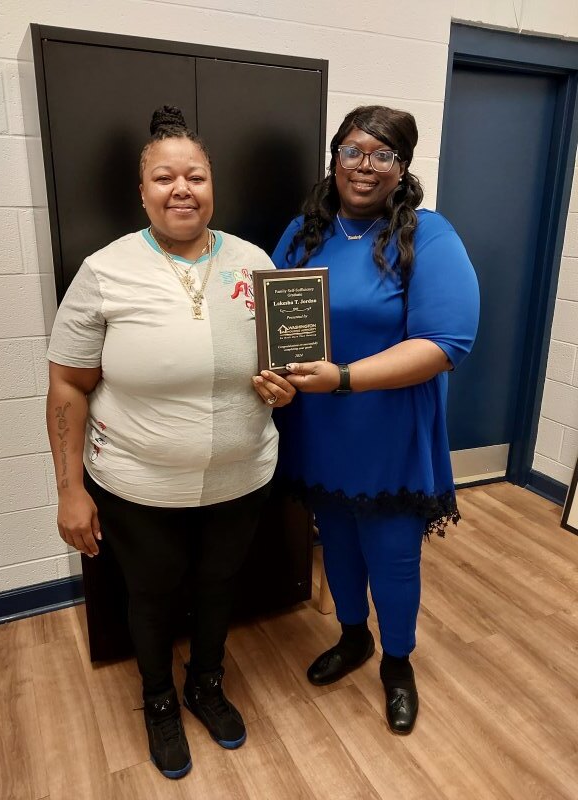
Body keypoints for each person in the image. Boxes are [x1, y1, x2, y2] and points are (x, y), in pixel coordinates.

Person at [46, 106, 294, 779]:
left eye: (195, 176)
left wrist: (285, 388)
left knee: (219, 587)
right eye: (164, 178)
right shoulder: (106, 271)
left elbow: (285, 366)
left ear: (213, 185)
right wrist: (70, 491)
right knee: (151, 594)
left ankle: (205, 684)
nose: (181, 188)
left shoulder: (255, 261)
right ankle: (158, 698)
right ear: (142, 191)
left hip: (241, 476)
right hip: (137, 483)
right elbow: (67, 385)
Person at [272, 105, 479, 734]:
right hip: (320, 428)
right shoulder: (306, 231)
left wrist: (345, 377)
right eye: (353, 150)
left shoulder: (431, 236)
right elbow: (270, 314)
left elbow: (447, 342)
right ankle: (354, 637)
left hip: (388, 430)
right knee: (334, 542)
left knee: (391, 556)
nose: (365, 166)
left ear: (403, 167)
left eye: (382, 154)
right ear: (334, 156)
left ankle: (397, 663)